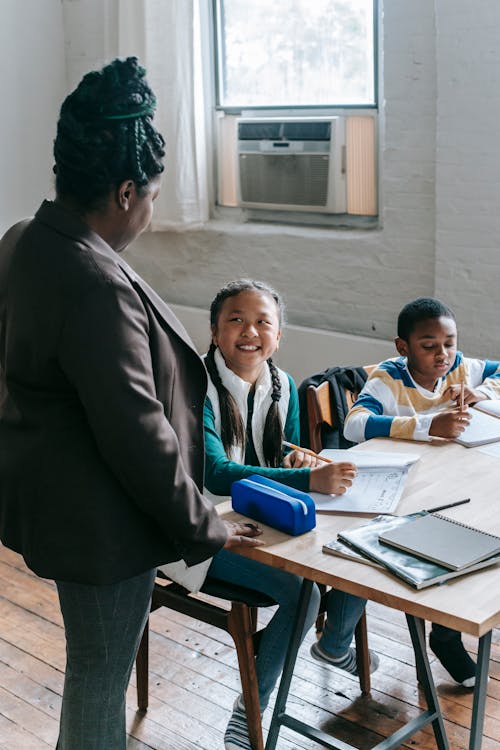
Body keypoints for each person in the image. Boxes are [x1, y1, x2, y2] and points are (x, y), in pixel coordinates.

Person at [0, 58, 261, 750]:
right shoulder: (94, 282)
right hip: (103, 523)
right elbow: (138, 433)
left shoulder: (26, 241)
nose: (148, 213)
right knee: (98, 675)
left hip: (56, 499)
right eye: (149, 198)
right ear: (122, 193)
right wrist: (204, 521)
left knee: (93, 668)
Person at [203, 278, 379, 750]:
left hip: (264, 513)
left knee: (360, 544)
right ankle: (253, 706)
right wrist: (307, 480)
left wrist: (298, 462)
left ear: (279, 336)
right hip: (204, 526)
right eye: (236, 320)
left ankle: (335, 645)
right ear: (215, 332)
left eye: (264, 322)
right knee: (303, 593)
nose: (250, 331)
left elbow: (282, 455)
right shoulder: (194, 385)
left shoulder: (280, 383)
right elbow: (217, 474)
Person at [343, 296, 500, 687]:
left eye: (450, 343)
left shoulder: (462, 367)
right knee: (458, 534)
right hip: (403, 492)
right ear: (403, 348)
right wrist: (426, 426)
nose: (443, 355)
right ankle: (445, 635)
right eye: (429, 346)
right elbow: (354, 425)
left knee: (481, 519)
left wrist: (482, 393)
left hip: (448, 478)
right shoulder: (388, 377)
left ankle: (449, 630)